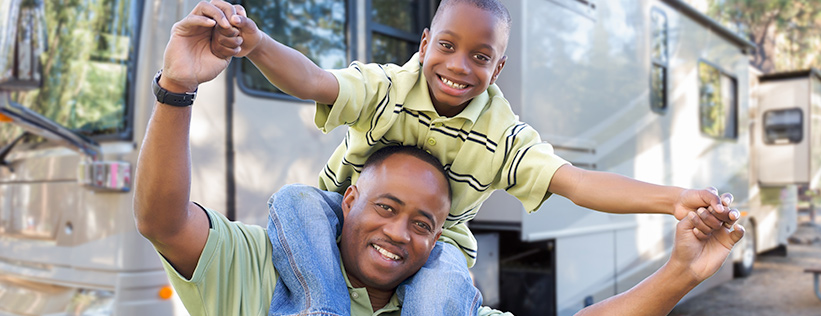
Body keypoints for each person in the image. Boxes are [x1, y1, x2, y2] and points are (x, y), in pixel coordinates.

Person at [134, 4, 744, 315]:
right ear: (424, 44)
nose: (458, 66)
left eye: (480, 57)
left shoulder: (503, 134)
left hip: (448, 248)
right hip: (326, 213)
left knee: (440, 285)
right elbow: (315, 81)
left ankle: (413, 232)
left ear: (499, 68)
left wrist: (673, 208)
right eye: (447, 47)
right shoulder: (387, 88)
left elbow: (577, 183)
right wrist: (256, 45)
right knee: (293, 201)